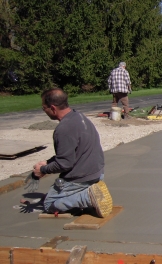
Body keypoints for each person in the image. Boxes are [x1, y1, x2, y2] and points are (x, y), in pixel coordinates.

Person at [32, 88, 113, 217]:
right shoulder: (78, 116)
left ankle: (87, 197)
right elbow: (73, 152)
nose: (44, 111)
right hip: (97, 173)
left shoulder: (63, 129)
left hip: (82, 178)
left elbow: (64, 164)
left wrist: (43, 170)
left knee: (49, 204)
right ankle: (89, 192)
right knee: (56, 195)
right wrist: (48, 162)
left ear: (53, 108)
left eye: (44, 108)